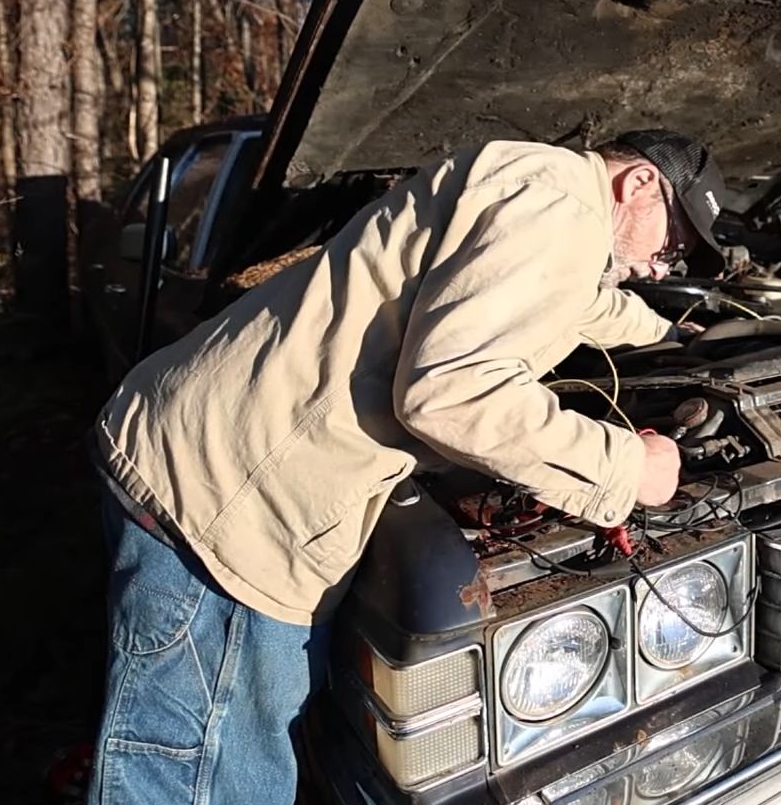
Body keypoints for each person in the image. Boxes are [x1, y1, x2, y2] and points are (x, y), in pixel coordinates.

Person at [87, 130, 727, 804]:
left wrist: (672, 334)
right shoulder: (560, 206)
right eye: (674, 244)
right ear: (641, 185)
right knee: (201, 773)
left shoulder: (544, 190)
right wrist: (627, 468)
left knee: (243, 747)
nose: (663, 267)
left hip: (219, 466)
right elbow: (451, 393)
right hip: (224, 502)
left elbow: (573, 300)